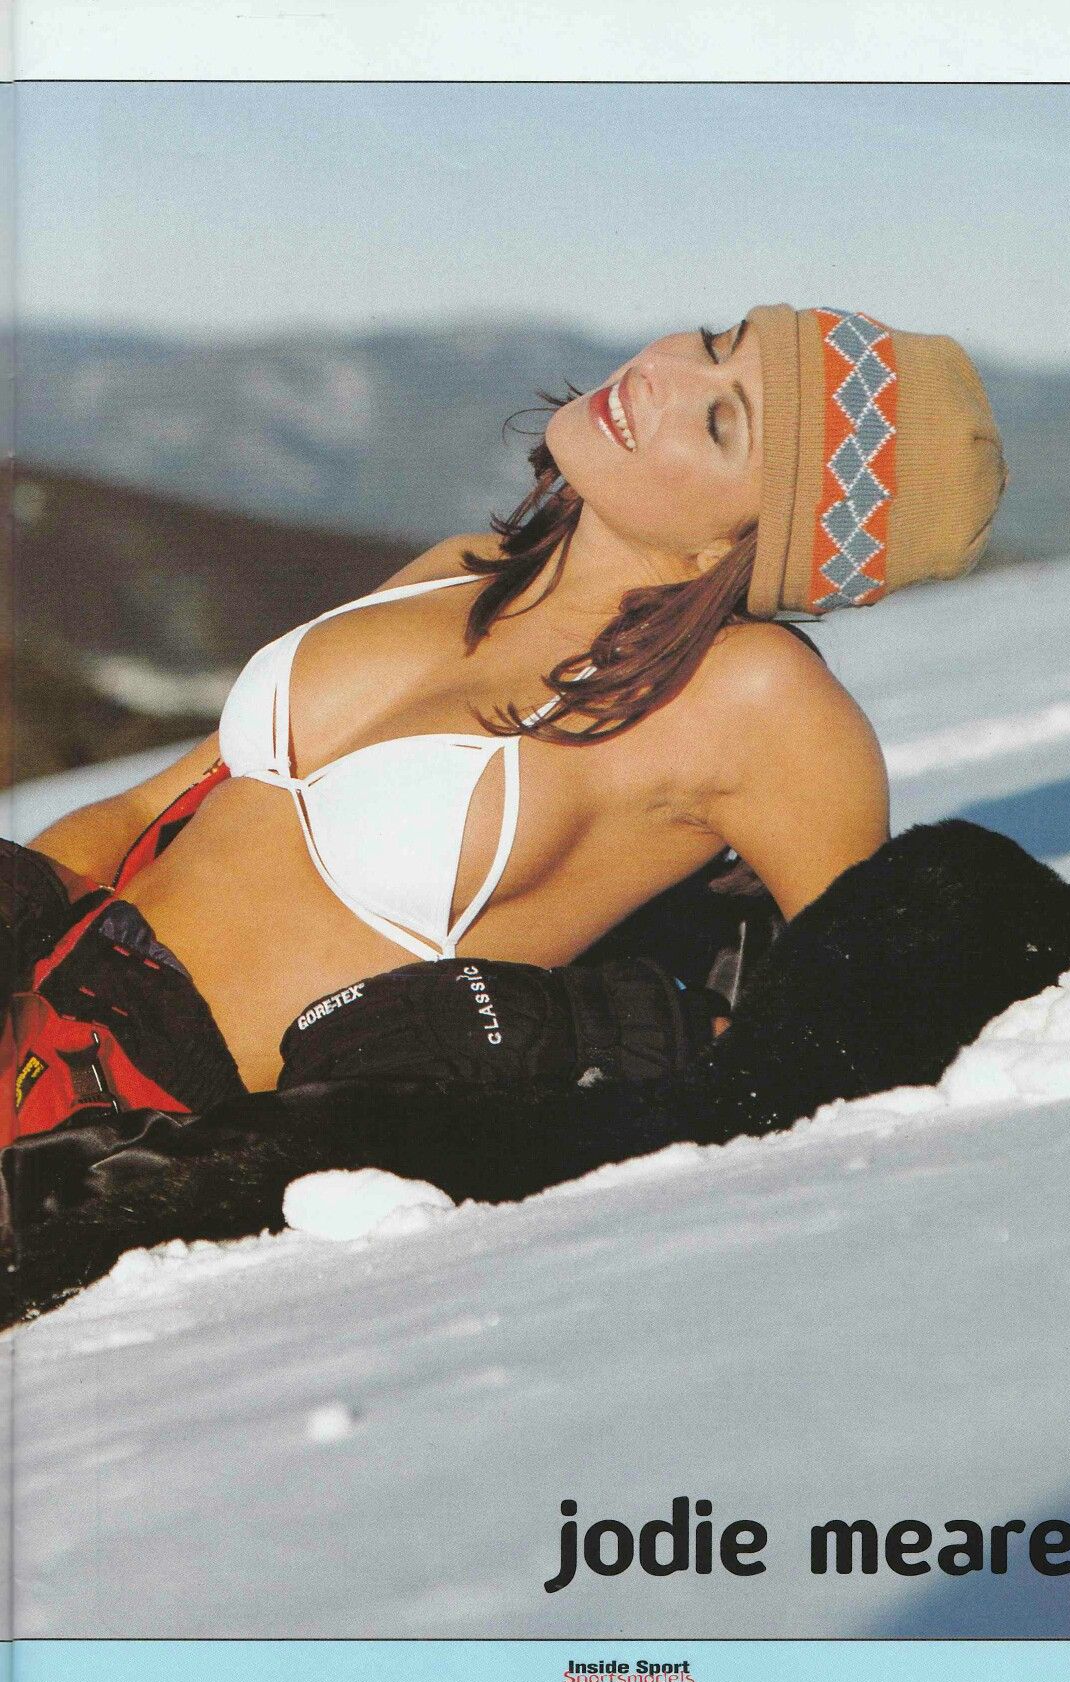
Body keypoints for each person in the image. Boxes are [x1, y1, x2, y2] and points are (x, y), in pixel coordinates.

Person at [3, 303, 1006, 1140]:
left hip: (131, 1139)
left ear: (746, 547)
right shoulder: (455, 570)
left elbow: (873, 1012)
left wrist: (603, 1032)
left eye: (719, 422)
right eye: (712, 343)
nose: (661, 376)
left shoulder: (752, 696)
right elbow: (146, 809)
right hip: (35, 996)